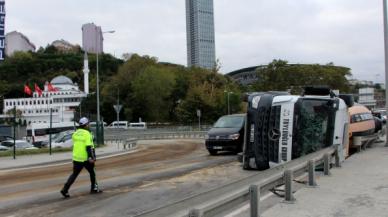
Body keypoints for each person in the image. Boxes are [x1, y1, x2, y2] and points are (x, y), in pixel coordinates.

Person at [60, 117, 102, 198]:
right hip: (86, 158)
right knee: (92, 173)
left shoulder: (75, 133)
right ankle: (94, 188)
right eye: (88, 124)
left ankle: (65, 189)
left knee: (74, 174)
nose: (89, 125)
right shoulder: (87, 134)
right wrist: (91, 158)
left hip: (76, 158)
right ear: (86, 125)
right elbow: (89, 147)